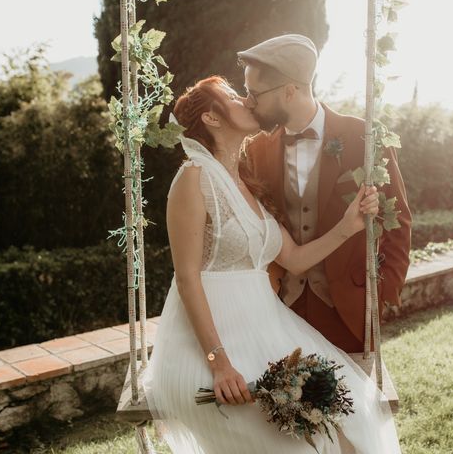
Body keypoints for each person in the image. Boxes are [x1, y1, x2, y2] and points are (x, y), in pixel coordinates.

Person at [141, 75, 402, 453]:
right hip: (209, 346)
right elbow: (186, 278)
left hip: (264, 328)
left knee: (350, 422)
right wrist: (219, 362)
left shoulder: (243, 180)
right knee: (294, 445)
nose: (246, 100)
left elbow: (294, 259)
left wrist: (349, 226)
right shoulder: (193, 179)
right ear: (212, 119)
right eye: (232, 96)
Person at [238, 34, 412, 353]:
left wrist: (384, 295)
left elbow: (397, 220)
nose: (247, 102)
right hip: (280, 308)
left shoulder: (365, 137)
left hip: (346, 311)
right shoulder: (257, 149)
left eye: (254, 93)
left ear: (290, 91)